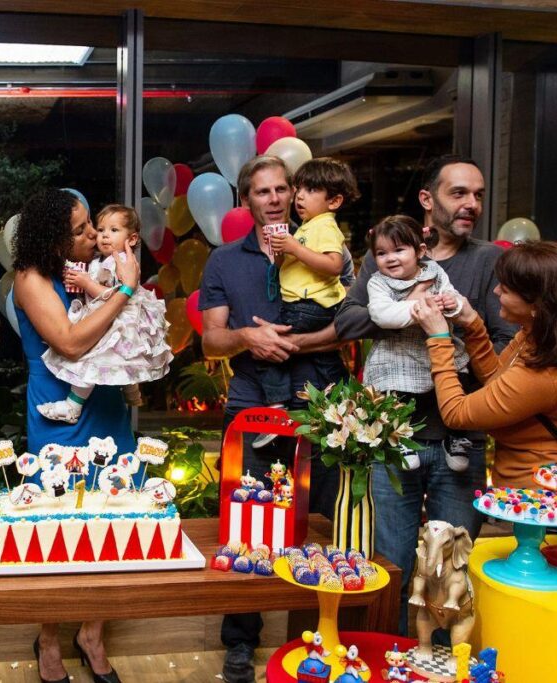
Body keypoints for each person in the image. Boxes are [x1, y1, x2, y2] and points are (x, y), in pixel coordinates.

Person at [334, 154, 515, 636]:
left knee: (451, 567)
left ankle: (446, 658)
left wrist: (460, 322)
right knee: (391, 563)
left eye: (478, 195)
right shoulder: (386, 256)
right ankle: (390, 650)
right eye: (459, 193)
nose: (472, 204)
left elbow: (504, 344)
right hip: (393, 439)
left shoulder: (488, 261)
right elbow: (346, 321)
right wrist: (406, 311)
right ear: (427, 199)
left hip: (461, 437)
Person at [198, 155, 343, 683]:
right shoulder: (223, 261)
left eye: (283, 188)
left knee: (319, 518)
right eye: (263, 191)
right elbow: (211, 340)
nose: (276, 198)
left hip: (319, 400)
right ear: (247, 201)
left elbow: (353, 321)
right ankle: (241, 640)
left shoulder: (322, 246)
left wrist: (298, 342)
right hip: (251, 401)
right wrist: (247, 337)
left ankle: (317, 635)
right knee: (247, 521)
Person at [13, 189, 136, 683]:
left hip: (102, 404)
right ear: (53, 238)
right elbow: (69, 342)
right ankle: (48, 638)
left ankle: (92, 633)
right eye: (81, 229)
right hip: (57, 409)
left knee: (113, 522)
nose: (92, 234)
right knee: (55, 527)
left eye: (91, 225)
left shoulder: (95, 268)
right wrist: (124, 291)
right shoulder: (31, 278)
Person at [412, 241, 557, 487]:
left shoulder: (543, 376)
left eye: (506, 288)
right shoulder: (547, 337)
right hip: (531, 484)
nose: (495, 291)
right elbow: (498, 380)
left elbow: (456, 413)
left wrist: (439, 338)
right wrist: (472, 324)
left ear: (537, 305)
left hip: (535, 496)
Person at [38, 204, 171, 423]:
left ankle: (73, 406)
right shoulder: (104, 260)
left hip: (119, 322)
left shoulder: (123, 262)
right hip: (113, 319)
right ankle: (131, 392)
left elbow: (116, 297)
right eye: (101, 230)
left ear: (132, 239)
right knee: (120, 360)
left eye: (114, 230)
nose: (104, 235)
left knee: (91, 361)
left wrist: (86, 283)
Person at [362, 215, 471, 471]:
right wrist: (421, 308)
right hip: (398, 350)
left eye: (399, 250)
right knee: (393, 390)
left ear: (420, 251)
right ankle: (398, 435)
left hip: (437, 347)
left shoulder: (435, 272)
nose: (390, 258)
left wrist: (452, 304)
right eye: (381, 253)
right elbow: (382, 314)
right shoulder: (378, 282)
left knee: (459, 376)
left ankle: (456, 435)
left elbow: (452, 294)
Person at [270, 158, 359, 416]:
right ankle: (344, 390)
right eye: (298, 189)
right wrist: (281, 251)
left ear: (334, 201)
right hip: (306, 304)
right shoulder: (308, 227)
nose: (299, 196)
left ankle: (276, 402)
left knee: (272, 347)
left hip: (308, 305)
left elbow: (334, 265)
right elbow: (288, 266)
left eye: (310, 190)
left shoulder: (326, 226)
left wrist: (294, 248)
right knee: (321, 357)